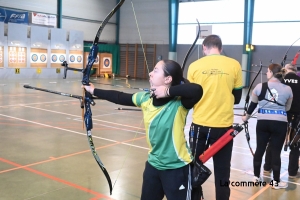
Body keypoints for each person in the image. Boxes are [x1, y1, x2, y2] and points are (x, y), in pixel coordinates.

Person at [83, 60, 203, 200]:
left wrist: (167, 91)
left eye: (156, 70)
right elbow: (120, 97)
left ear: (168, 79)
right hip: (153, 166)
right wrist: (93, 90)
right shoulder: (146, 98)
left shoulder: (180, 103)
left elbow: (197, 90)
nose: (150, 73)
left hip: (177, 168)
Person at [187, 34, 243, 200]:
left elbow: (191, 96)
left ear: (204, 47)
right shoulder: (234, 64)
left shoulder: (194, 66)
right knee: (223, 171)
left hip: (199, 126)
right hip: (223, 128)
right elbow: (238, 98)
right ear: (221, 47)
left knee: (194, 168)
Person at [242, 63, 293, 189]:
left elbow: (252, 105)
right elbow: (288, 107)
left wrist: (246, 117)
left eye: (267, 71)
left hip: (263, 123)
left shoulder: (259, 87)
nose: (266, 73)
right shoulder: (288, 89)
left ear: (271, 72)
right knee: (276, 153)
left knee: (260, 149)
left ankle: (256, 177)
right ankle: (276, 182)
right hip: (280, 124)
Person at [263, 63, 300, 178]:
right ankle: (292, 172)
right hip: (297, 116)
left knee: (273, 141)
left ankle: (267, 168)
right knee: (295, 144)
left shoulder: (280, 81)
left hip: (280, 115)